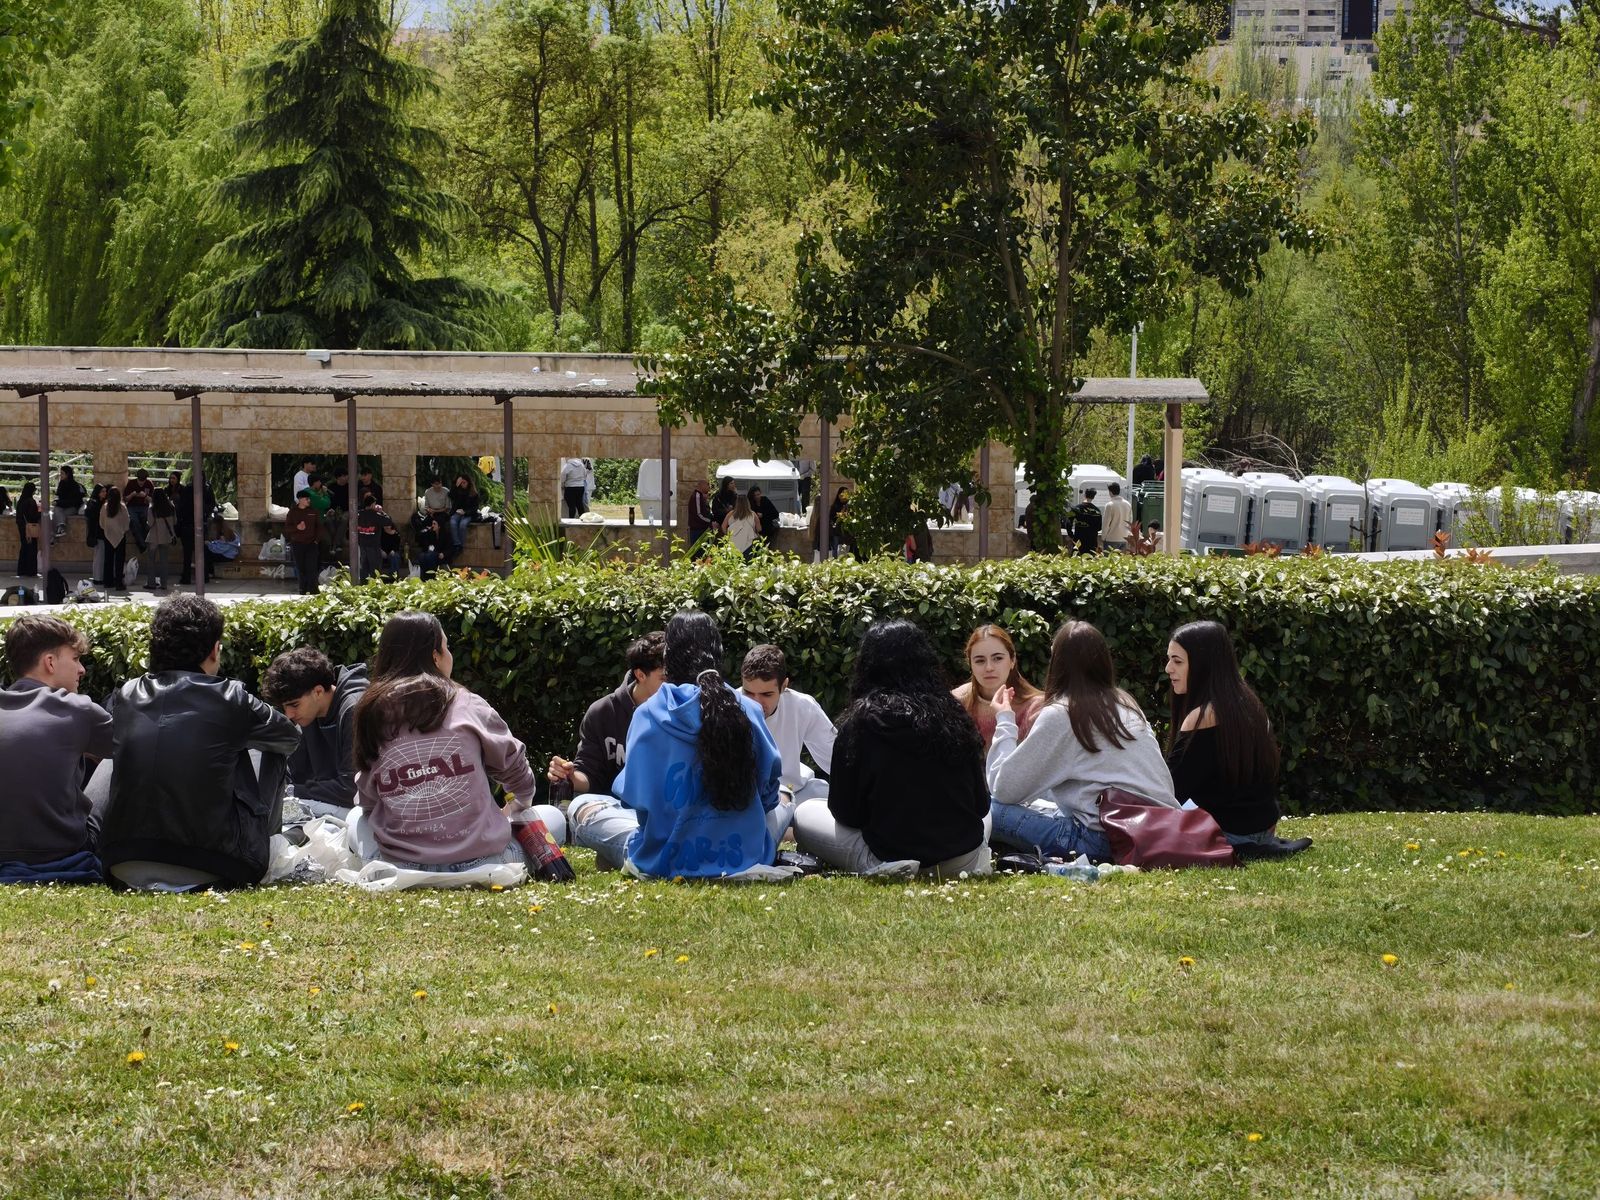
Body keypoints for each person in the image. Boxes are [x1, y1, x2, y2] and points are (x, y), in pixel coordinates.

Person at [99, 595, 301, 890]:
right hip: (216, 865)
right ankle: (271, 842)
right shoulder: (232, 697)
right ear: (214, 649)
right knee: (271, 749)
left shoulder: (125, 695)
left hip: (122, 863)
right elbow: (290, 738)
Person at [570, 612, 789, 877]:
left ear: (669, 657)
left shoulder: (649, 713)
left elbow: (636, 801)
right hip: (746, 856)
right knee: (787, 795)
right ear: (718, 654)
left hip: (665, 859)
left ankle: (618, 855)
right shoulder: (748, 709)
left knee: (582, 807)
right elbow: (769, 794)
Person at [351, 612, 553, 872]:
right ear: (435, 656)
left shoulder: (370, 712)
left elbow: (368, 801)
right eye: (447, 647)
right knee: (552, 817)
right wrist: (518, 805)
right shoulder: (466, 703)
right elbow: (514, 767)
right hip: (489, 862)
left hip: (403, 866)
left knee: (355, 817)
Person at [792, 619, 991, 877]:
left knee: (804, 814)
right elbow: (981, 805)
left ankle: (887, 866)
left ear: (867, 665)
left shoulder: (860, 723)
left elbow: (846, 813)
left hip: (888, 853)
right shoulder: (955, 714)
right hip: (962, 857)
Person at [987, 620, 1177, 862]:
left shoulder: (1063, 712)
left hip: (1101, 839)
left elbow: (1004, 790)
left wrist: (1004, 718)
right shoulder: (1125, 702)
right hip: (1156, 831)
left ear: (1057, 663)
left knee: (988, 809)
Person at [1164, 620, 1312, 857]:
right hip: (1264, 828)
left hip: (1231, 834)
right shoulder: (1247, 702)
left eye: (1177, 661)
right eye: (1170, 659)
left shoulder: (1203, 716)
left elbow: (1170, 791)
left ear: (1203, 665)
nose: (1168, 668)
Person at [0, 616, 113, 883]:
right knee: (114, 761)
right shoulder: (78, 709)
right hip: (63, 851)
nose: (82, 669)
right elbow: (139, 747)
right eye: (75, 659)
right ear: (50, 662)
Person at [551, 631, 667, 823]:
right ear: (640, 674)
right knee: (582, 805)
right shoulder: (603, 712)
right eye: (664, 679)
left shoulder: (680, 712)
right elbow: (589, 774)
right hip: (617, 813)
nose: (673, 685)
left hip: (665, 813)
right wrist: (570, 775)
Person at [263, 648, 368, 815]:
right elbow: (291, 769)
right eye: (284, 707)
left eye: (294, 705)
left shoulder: (355, 709)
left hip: (362, 811)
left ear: (318, 691)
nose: (288, 714)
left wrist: (294, 792)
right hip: (334, 802)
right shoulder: (310, 713)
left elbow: (351, 788)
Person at [739, 644, 835, 803]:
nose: (755, 703)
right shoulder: (728, 707)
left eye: (766, 694)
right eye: (748, 693)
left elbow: (836, 758)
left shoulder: (802, 706)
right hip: (751, 801)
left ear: (784, 686)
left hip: (795, 791)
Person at [952, 624, 1043, 749]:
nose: (989, 667)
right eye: (980, 660)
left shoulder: (1035, 707)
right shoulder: (956, 702)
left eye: (997, 658)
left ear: (1012, 660)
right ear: (970, 664)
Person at [354, 494, 397, 582]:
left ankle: (363, 588)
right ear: (373, 504)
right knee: (375, 570)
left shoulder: (358, 514)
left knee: (364, 569)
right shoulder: (376, 515)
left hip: (362, 545)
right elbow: (388, 521)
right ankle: (374, 589)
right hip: (373, 546)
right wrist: (382, 512)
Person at [285, 490, 321, 595]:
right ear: (300, 500)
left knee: (312, 567)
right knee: (301, 567)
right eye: (306, 499)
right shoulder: (292, 512)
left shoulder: (313, 511)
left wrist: (316, 540)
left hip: (311, 544)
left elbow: (319, 527)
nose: (308, 501)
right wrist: (297, 527)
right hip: (297, 543)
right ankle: (303, 589)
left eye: (309, 499)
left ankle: (313, 589)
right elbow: (287, 528)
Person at [145, 488, 176, 590]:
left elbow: (150, 523)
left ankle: (151, 583)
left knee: (151, 561)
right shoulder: (171, 506)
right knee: (164, 561)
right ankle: (164, 584)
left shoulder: (152, 507)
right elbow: (175, 521)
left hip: (154, 536)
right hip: (166, 537)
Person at [100, 487, 131, 591]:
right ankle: (118, 583)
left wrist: (107, 529)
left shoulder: (105, 507)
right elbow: (127, 522)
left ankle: (107, 582)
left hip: (108, 535)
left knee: (108, 560)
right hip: (120, 536)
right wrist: (123, 530)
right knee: (119, 560)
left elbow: (101, 522)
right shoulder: (122, 507)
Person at [448, 474, 480, 560]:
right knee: (453, 522)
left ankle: (460, 546)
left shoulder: (473, 493)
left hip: (468, 513)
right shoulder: (458, 490)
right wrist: (455, 485)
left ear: (468, 483)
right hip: (458, 512)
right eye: (461, 483)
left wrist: (465, 512)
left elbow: (475, 508)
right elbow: (451, 495)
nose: (463, 484)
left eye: (464, 483)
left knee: (463, 524)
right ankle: (457, 544)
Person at [14, 482, 40, 577]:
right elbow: (33, 516)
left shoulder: (21, 500)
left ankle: (22, 570)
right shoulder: (30, 501)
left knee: (24, 548)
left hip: (22, 527)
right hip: (30, 529)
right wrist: (41, 513)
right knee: (31, 549)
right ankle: (30, 571)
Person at [722, 493, 761, 557]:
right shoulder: (753, 514)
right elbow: (759, 528)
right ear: (747, 503)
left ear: (737, 503)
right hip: (748, 544)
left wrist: (728, 535)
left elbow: (723, 527)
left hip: (733, 543)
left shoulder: (730, 514)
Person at [412, 509, 446, 580]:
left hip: (440, 554)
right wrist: (427, 531)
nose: (432, 525)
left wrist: (444, 553)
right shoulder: (430, 533)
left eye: (434, 524)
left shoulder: (446, 534)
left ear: (439, 526)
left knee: (429, 556)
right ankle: (424, 577)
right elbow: (420, 539)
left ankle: (431, 577)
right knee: (422, 556)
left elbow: (449, 547)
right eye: (432, 524)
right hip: (430, 553)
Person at [1068, 488, 1103, 555]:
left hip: (1078, 540)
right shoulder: (1097, 511)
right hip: (1092, 541)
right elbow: (1099, 528)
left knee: (1076, 558)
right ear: (1093, 497)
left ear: (1084, 495)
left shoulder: (1077, 508)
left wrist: (1071, 534)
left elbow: (1068, 522)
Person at [124, 469, 152, 551]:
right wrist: (132, 495)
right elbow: (125, 499)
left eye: (143, 481)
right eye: (140, 480)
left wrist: (145, 496)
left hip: (144, 507)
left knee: (146, 522)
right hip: (132, 506)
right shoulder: (131, 483)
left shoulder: (149, 484)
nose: (141, 483)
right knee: (134, 522)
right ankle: (142, 544)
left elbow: (152, 500)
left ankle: (144, 542)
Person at [53, 465, 85, 537]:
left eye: (62, 473)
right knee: (56, 510)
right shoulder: (61, 484)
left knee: (56, 513)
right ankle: (61, 529)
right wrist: (58, 502)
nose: (60, 475)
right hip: (62, 507)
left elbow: (73, 501)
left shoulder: (74, 486)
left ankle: (55, 535)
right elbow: (60, 497)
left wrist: (58, 503)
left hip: (72, 507)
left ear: (67, 474)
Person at [84, 483, 107, 581]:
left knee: (100, 555)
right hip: (97, 533)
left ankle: (99, 576)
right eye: (102, 492)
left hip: (99, 533)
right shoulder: (94, 504)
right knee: (99, 556)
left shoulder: (98, 503)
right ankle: (98, 578)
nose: (105, 493)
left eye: (105, 492)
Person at [1102, 482, 1133, 552]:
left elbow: (1106, 523)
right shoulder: (1128, 504)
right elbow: (1130, 522)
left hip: (1111, 538)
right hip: (1124, 538)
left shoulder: (1110, 505)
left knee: (1109, 561)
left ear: (1110, 492)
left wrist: (1103, 537)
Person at [687, 479, 713, 555]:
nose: (709, 487)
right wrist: (710, 522)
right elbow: (698, 514)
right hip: (698, 530)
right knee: (698, 553)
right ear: (702, 485)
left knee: (703, 553)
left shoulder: (700, 496)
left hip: (702, 529)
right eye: (707, 484)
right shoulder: (697, 496)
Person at [827, 487, 852, 556]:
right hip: (836, 532)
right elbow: (830, 518)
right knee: (835, 551)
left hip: (846, 533)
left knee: (845, 552)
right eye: (842, 494)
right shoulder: (835, 505)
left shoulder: (849, 505)